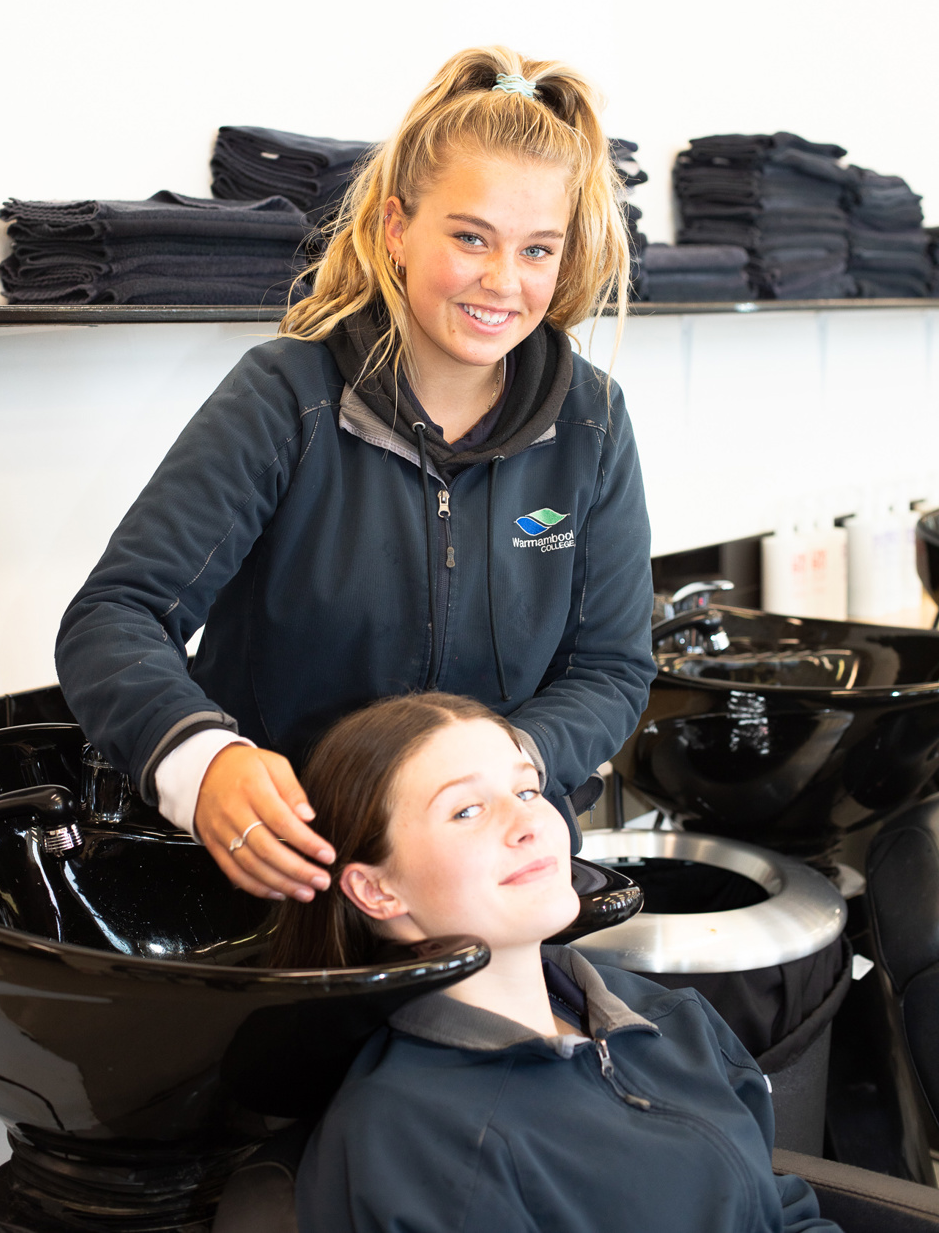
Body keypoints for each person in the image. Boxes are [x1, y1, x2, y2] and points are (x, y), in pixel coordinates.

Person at [55, 46, 655, 904]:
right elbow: (114, 617)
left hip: (487, 877)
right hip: (296, 875)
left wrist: (496, 777)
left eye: (536, 250)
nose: (502, 281)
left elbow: (611, 668)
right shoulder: (287, 398)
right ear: (395, 230)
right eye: (470, 237)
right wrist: (204, 760)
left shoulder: (591, 424)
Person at [280, 691, 843, 1233]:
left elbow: (778, 1207)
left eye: (527, 791)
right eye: (467, 810)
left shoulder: (665, 1016)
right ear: (377, 892)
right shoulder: (417, 1142)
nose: (529, 823)